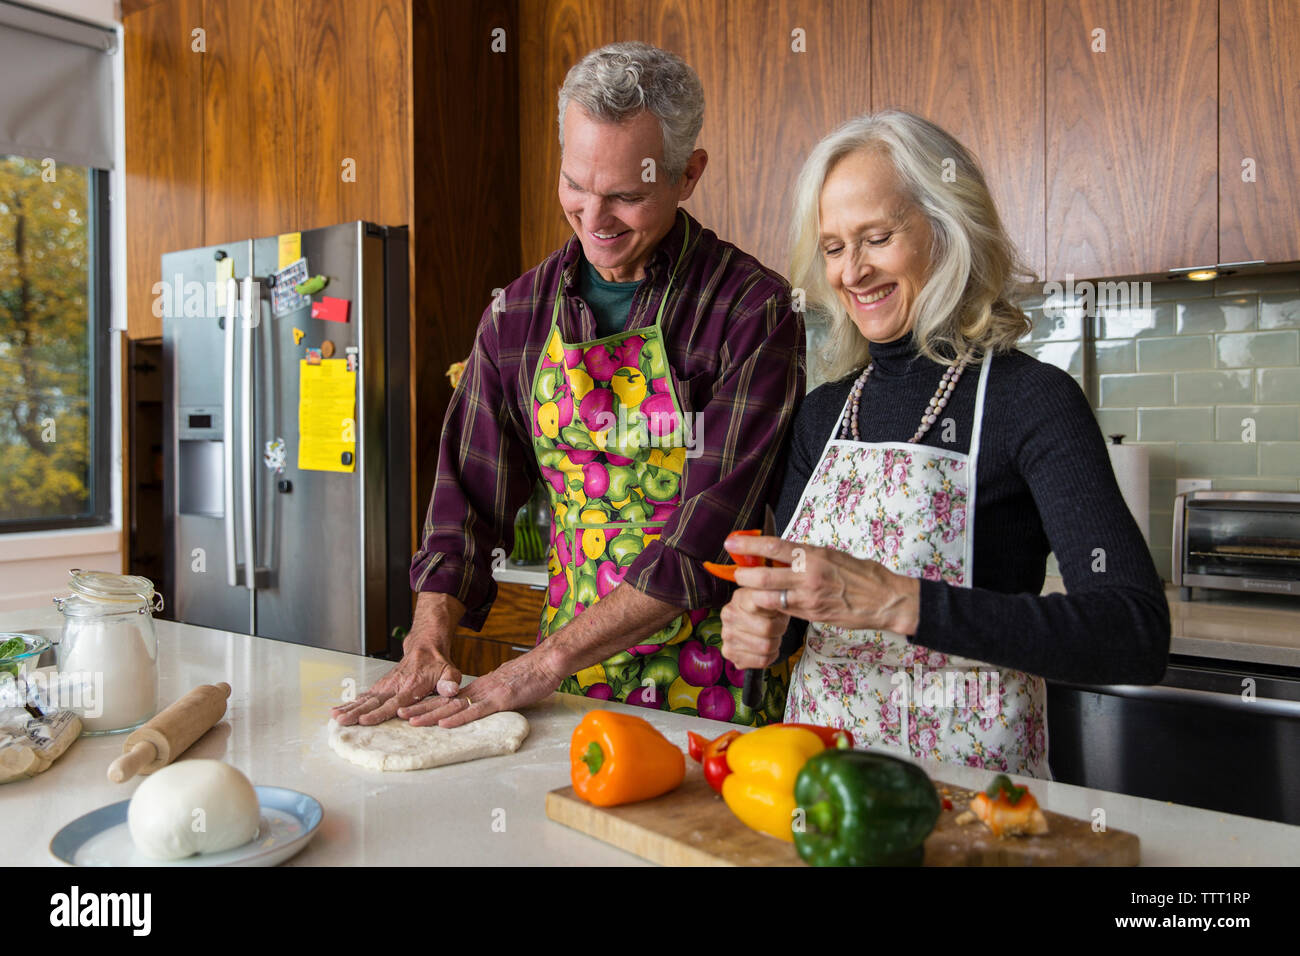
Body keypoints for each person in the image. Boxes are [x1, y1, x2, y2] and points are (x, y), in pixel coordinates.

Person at [331, 42, 804, 731]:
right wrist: (429, 633)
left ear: (688, 174)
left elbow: (705, 539)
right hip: (562, 693)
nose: (593, 218)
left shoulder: (750, 312)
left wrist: (541, 663)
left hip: (712, 699)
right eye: (575, 184)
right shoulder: (515, 314)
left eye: (626, 196)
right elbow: (464, 496)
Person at [717, 111, 1169, 777]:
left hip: (976, 800)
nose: (853, 272)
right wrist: (763, 627)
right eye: (835, 248)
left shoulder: (1030, 401)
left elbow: (1131, 634)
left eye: (876, 237)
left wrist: (903, 601)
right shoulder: (822, 415)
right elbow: (800, 620)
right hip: (826, 790)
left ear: (948, 227)